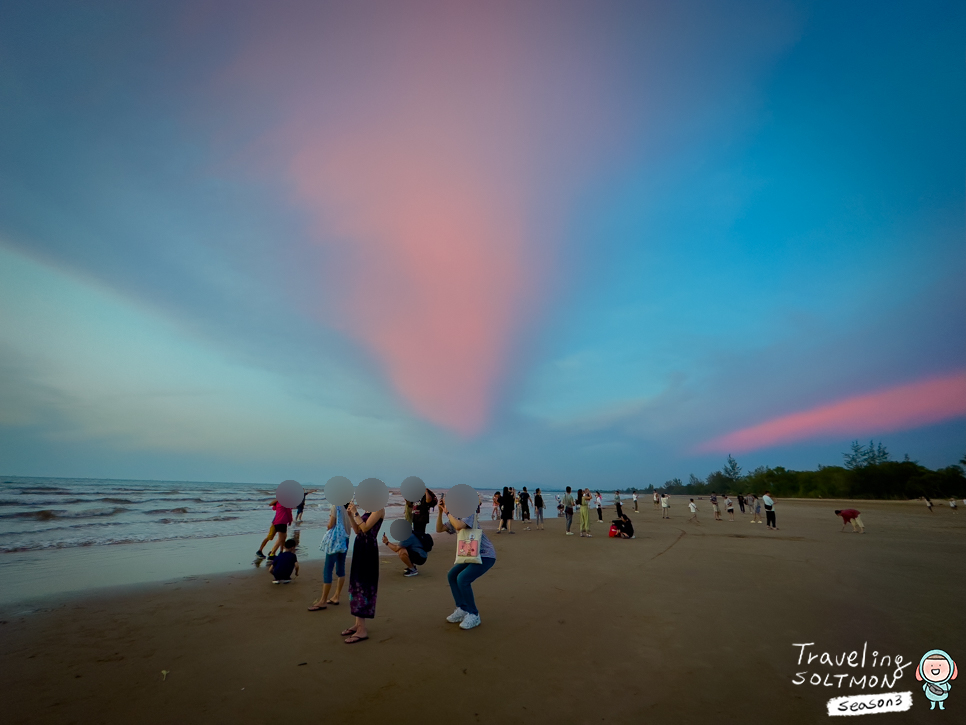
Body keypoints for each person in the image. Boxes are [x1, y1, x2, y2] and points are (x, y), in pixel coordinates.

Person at [437, 500, 496, 630]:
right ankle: (462, 608)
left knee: (463, 579)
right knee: (452, 575)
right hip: (471, 555)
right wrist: (440, 512)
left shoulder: (467, 513)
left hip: (486, 555)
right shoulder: (455, 517)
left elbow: (459, 526)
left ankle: (473, 614)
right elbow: (439, 529)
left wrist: (447, 512)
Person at [342, 500, 385, 644]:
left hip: (368, 550)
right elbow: (357, 530)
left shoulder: (378, 509)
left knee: (364, 586)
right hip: (360, 547)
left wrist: (355, 512)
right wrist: (350, 515)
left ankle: (362, 630)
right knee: (356, 584)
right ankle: (357, 623)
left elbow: (366, 528)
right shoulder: (367, 511)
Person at [309, 504, 349, 610]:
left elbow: (331, 524)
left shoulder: (335, 506)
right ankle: (336, 596)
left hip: (335, 540)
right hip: (345, 539)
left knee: (328, 568)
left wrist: (327, 526)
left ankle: (323, 600)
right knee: (341, 568)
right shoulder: (348, 506)